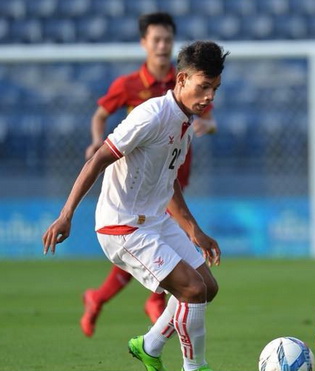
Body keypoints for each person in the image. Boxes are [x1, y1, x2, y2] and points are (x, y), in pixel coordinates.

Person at [43, 40, 229, 371]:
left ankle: (150, 345)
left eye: (214, 88)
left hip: (154, 220)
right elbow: (99, 158)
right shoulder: (152, 116)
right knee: (192, 288)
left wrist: (194, 231)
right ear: (182, 79)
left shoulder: (184, 122)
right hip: (123, 225)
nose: (210, 97)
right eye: (204, 87)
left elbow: (168, 181)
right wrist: (65, 215)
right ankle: (195, 367)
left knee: (208, 288)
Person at [80, 12, 218, 338]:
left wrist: (204, 125)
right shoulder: (132, 87)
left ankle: (106, 300)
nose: (162, 46)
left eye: (167, 40)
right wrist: (97, 142)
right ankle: (154, 312)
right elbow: (102, 116)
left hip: (171, 177)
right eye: (156, 40)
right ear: (144, 43)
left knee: (185, 272)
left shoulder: (191, 83)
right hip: (140, 185)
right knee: (179, 274)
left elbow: (210, 121)